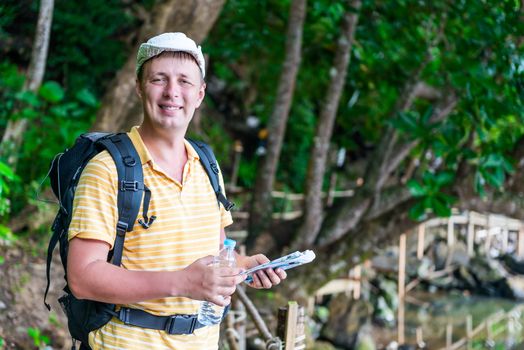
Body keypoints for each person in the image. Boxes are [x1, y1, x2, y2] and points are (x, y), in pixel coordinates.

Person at [66, 32, 286, 350]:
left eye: (184, 81)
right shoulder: (108, 169)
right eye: (159, 79)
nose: (172, 92)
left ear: (200, 94)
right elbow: (83, 278)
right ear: (139, 86)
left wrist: (244, 266)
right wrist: (182, 282)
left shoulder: (207, 165)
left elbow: (213, 255)